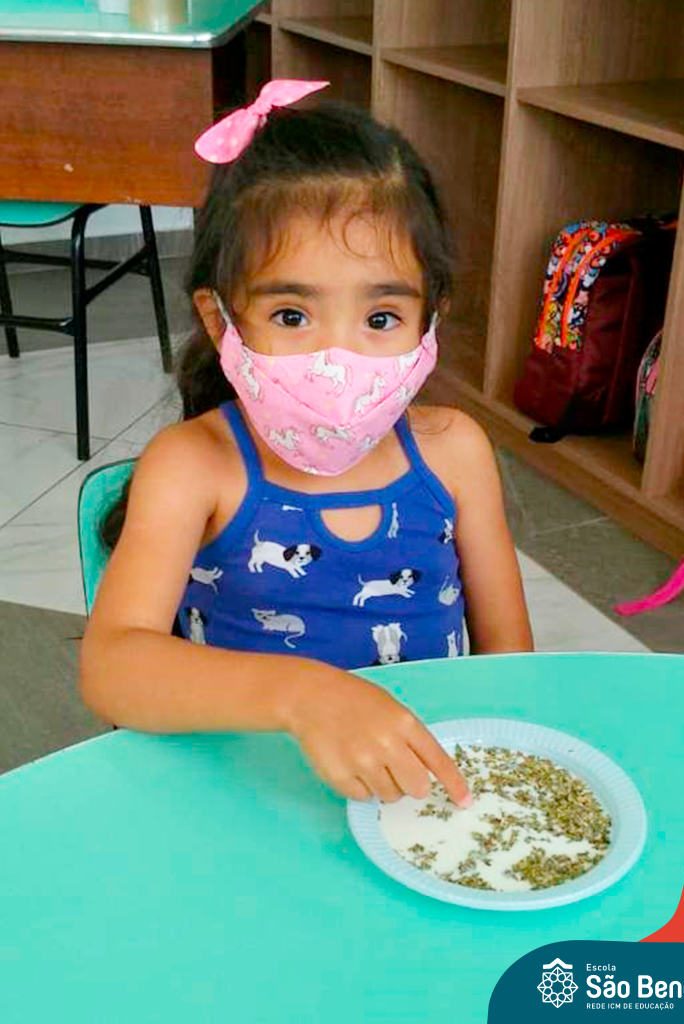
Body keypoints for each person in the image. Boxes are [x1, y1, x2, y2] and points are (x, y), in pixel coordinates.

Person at [79, 80, 533, 809]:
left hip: (419, 800)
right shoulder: (194, 466)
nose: (336, 358)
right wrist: (302, 695)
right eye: (292, 315)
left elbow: (510, 668)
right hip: (248, 796)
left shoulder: (455, 452)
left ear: (431, 319)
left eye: (381, 318)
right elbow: (111, 668)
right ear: (222, 322)